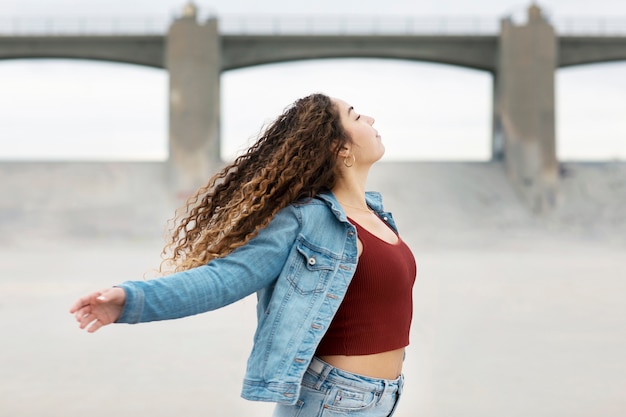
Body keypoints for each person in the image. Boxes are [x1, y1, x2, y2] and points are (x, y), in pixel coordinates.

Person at [70, 93, 416, 417]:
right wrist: (131, 300)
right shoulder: (306, 219)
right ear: (338, 146)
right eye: (356, 116)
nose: (369, 118)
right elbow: (223, 279)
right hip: (333, 400)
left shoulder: (376, 214)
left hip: (384, 397)